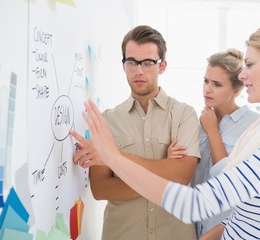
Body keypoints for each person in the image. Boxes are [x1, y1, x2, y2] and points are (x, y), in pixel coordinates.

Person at [71, 22, 260, 239]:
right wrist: (222, 230)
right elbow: (253, 209)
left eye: (250, 65)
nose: (244, 76)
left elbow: (194, 203)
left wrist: (114, 157)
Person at [70, 25, 200, 240]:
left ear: (162, 66)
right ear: (124, 66)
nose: (139, 71)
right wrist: (164, 174)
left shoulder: (183, 114)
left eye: (148, 63)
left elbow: (182, 176)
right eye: (131, 62)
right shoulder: (107, 120)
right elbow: (101, 188)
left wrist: (113, 158)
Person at [168, 48, 260, 238]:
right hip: (192, 228)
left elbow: (230, 179)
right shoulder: (193, 122)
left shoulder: (253, 125)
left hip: (228, 230)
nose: (207, 89)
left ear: (237, 88)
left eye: (217, 84)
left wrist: (212, 132)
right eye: (206, 81)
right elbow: (186, 175)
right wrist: (172, 159)